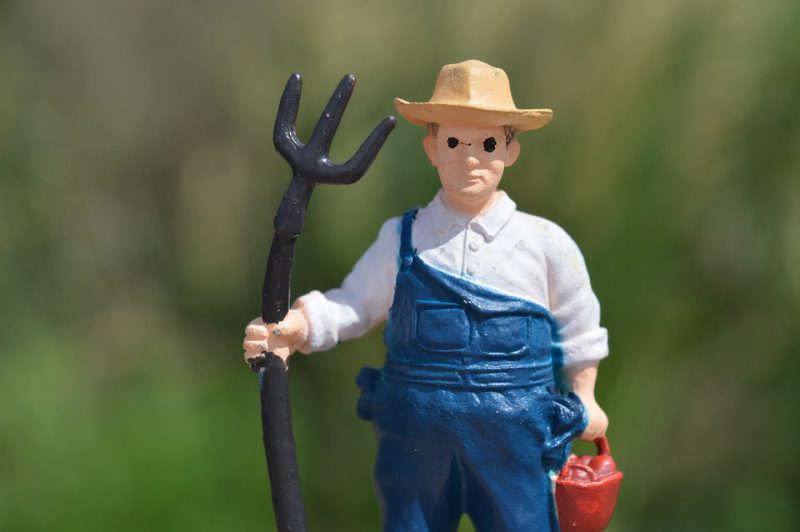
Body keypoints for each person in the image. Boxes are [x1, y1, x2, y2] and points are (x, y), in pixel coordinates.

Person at [244, 60, 609, 532]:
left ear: (511, 149)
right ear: (431, 147)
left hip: (515, 435)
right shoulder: (403, 237)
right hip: (415, 433)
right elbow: (355, 302)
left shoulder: (545, 244)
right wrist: (300, 327)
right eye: (454, 142)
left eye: (488, 143)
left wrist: (586, 394)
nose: (470, 157)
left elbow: (579, 325)